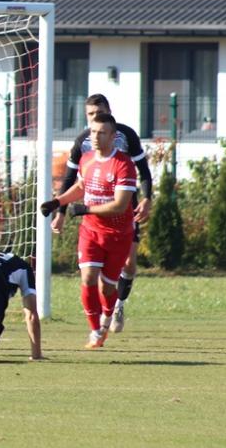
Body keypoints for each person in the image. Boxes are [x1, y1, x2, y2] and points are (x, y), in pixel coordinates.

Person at [51, 94, 152, 334]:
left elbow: (144, 170)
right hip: (94, 217)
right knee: (93, 274)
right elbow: (71, 179)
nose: (95, 118)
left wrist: (147, 198)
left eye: (99, 113)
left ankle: (119, 306)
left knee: (129, 264)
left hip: (124, 210)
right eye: (91, 115)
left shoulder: (125, 135)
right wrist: (61, 212)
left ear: (109, 111)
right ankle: (101, 318)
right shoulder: (83, 142)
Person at [40, 112, 137, 349]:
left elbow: (120, 205)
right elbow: (82, 186)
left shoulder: (123, 164)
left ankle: (107, 316)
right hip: (91, 231)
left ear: (113, 137)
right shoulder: (87, 159)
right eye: (93, 132)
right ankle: (95, 331)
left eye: (102, 133)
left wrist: (86, 209)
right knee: (88, 277)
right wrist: (57, 202)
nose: (95, 137)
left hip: (118, 235)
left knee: (107, 287)